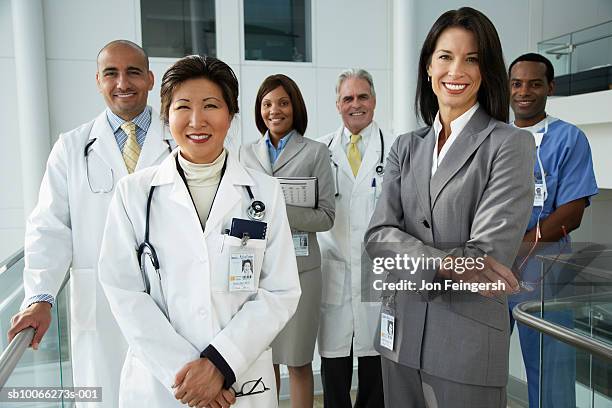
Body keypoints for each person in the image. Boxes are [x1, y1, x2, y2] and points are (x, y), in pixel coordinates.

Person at [98, 55, 301, 408]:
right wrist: (191, 376)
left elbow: (280, 290)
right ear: (166, 116)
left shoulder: (263, 193)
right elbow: (123, 290)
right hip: (165, 386)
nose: (197, 120)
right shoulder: (134, 194)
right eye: (183, 107)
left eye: (211, 105)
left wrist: (221, 364)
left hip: (239, 382)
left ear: (231, 114)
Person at [364, 7, 535, 408]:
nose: (456, 70)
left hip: (465, 347)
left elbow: (485, 259)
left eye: (471, 58)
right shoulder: (406, 146)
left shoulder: (509, 145)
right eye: (445, 56)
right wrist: (443, 262)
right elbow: (377, 236)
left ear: (486, 69)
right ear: (428, 66)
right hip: (400, 338)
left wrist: (416, 257)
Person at [7, 40, 172, 407]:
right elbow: (49, 227)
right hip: (101, 302)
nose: (122, 82)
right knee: (106, 393)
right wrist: (40, 296)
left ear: (149, 79)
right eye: (111, 73)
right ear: (98, 81)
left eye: (132, 72)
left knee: (168, 392)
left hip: (168, 299)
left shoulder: (178, 139)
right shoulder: (71, 147)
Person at [507, 52, 598, 408]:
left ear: (550, 87)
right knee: (478, 360)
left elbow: (572, 212)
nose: (524, 91)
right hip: (491, 263)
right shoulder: (492, 137)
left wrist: (522, 247)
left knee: (550, 367)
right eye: (517, 83)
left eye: (534, 83)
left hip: (544, 265)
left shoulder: (568, 139)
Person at [239, 74, 335, 408]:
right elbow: (240, 209)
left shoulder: (315, 152)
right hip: (258, 272)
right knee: (265, 359)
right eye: (267, 104)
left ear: (295, 107)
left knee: (297, 360)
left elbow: (326, 217)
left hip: (302, 270)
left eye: (282, 102)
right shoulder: (245, 153)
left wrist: (277, 207)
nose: (274, 110)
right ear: (259, 110)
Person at [317, 68, 393, 408]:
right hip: (332, 268)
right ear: (338, 104)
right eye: (348, 98)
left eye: (363, 96)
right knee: (334, 368)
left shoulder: (395, 147)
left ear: (374, 101)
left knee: (375, 368)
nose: (356, 104)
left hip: (379, 272)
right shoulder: (320, 150)